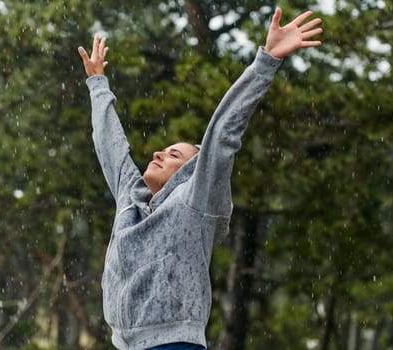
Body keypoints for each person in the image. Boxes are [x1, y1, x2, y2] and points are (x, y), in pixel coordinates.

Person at [78, 7, 322, 350]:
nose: (158, 154)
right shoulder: (129, 198)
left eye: (173, 155)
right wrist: (98, 85)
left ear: (191, 174)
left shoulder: (195, 200)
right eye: (162, 150)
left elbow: (222, 134)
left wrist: (265, 62)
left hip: (175, 344)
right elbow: (110, 145)